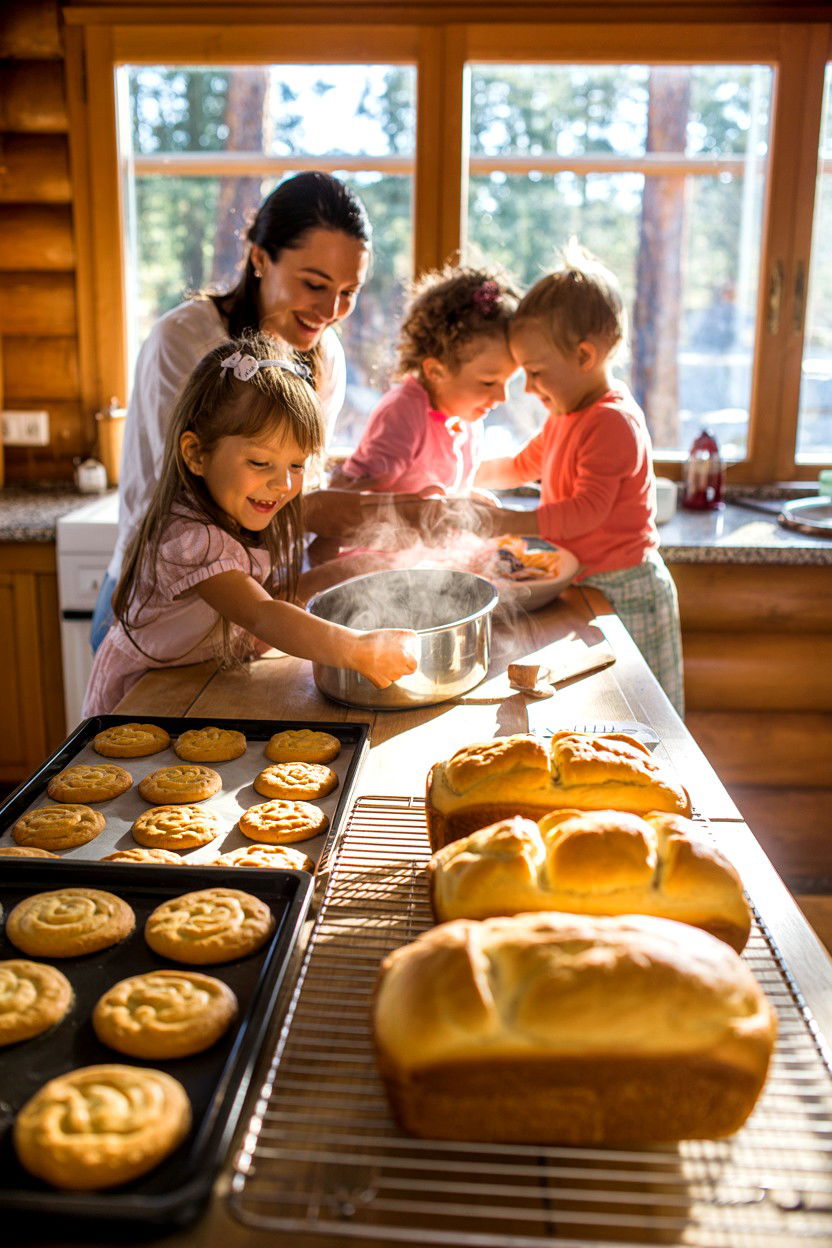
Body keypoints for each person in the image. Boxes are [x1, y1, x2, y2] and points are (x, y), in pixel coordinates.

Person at [91, 171, 371, 651]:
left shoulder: (326, 355)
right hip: (161, 617)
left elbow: (297, 484)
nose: (330, 311)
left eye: (349, 292)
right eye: (314, 284)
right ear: (260, 257)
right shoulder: (182, 340)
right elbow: (200, 502)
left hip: (261, 608)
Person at [82, 333, 418, 716]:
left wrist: (354, 568)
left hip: (191, 685)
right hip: (139, 700)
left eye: (297, 464)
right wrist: (359, 650)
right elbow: (263, 615)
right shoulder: (191, 540)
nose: (284, 484)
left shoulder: (236, 515)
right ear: (196, 454)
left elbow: (270, 601)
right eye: (260, 463)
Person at [473, 241, 685, 716]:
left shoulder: (611, 422)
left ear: (585, 356)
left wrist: (506, 521)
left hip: (629, 591)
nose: (527, 387)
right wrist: (465, 472)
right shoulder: (567, 413)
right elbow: (523, 465)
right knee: (604, 708)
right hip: (589, 586)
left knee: (647, 709)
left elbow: (586, 513)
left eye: (536, 372)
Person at [329, 263, 518, 497]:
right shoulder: (404, 413)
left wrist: (469, 501)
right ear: (436, 372)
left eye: (508, 381)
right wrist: (415, 510)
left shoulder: (467, 418)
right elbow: (344, 495)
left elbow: (452, 492)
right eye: (488, 382)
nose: (502, 397)